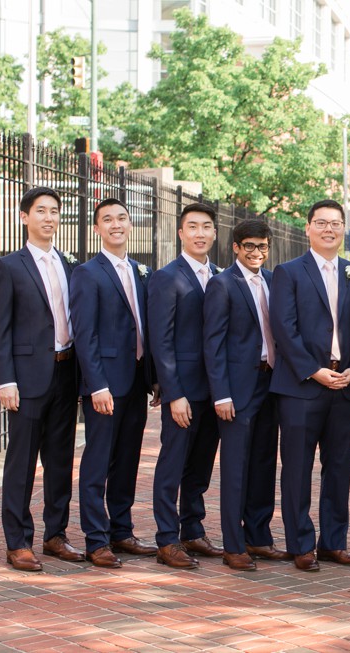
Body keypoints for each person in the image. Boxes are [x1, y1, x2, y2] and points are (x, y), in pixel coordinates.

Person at [269, 200, 350, 572]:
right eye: (322, 223)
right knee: (297, 468)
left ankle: (334, 543)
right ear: (308, 227)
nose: (329, 229)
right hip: (301, 387)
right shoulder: (288, 272)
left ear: (344, 229)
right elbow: (284, 328)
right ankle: (300, 544)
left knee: (339, 467)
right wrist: (314, 370)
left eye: (336, 223)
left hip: (346, 387)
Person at [0, 186, 83, 571]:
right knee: (22, 461)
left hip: (66, 371)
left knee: (60, 460)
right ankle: (18, 541)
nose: (49, 217)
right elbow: (1, 329)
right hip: (27, 379)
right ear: (24, 217)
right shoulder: (10, 266)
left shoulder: (70, 264)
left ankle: (55, 535)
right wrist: (5, 380)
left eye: (55, 211)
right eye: (41, 211)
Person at [70, 198, 160, 568]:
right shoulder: (87, 273)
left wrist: (154, 379)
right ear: (97, 228)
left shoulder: (143, 272)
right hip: (106, 384)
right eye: (107, 219)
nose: (116, 224)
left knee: (127, 460)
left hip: (136, 381)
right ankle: (96, 539)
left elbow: (148, 329)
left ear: (130, 224)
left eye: (122, 218)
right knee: (98, 461)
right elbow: (85, 334)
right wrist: (97, 386)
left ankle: (121, 531)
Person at [203, 219, 289, 572]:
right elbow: (213, 343)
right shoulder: (222, 284)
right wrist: (221, 394)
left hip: (272, 384)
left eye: (263, 247)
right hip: (237, 389)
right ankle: (233, 545)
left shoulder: (273, 281)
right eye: (250, 246)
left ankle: (258, 536)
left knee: (264, 463)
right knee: (236, 467)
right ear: (236, 248)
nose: (257, 253)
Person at [148, 202, 224, 569]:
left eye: (206, 226)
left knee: (201, 467)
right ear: (181, 233)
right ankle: (166, 538)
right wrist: (173, 393)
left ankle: (192, 530)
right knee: (172, 465)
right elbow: (161, 341)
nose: (199, 233)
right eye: (192, 226)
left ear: (214, 233)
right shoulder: (168, 277)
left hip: (216, 391)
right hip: (184, 393)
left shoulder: (223, 275)